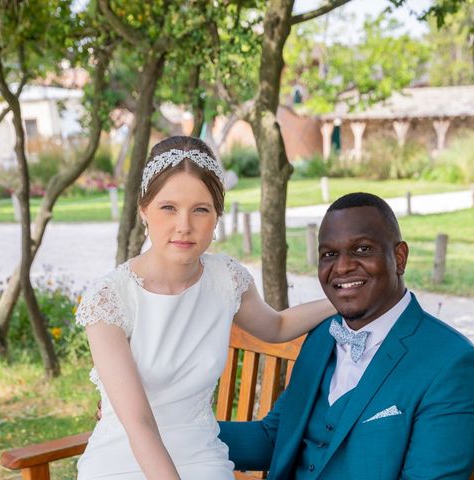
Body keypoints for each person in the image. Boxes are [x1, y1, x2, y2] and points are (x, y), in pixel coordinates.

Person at [75, 135, 336, 480]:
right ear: (144, 211)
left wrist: (343, 300)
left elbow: (276, 327)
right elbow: (139, 423)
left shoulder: (225, 279)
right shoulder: (109, 299)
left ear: (216, 217)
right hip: (122, 458)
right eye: (168, 207)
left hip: (201, 457)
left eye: (201, 209)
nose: (184, 225)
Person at [219, 192, 474, 479]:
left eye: (362, 249)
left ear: (399, 258)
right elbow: (274, 437)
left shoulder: (452, 366)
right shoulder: (323, 335)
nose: (343, 266)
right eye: (329, 255)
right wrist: (181, 433)